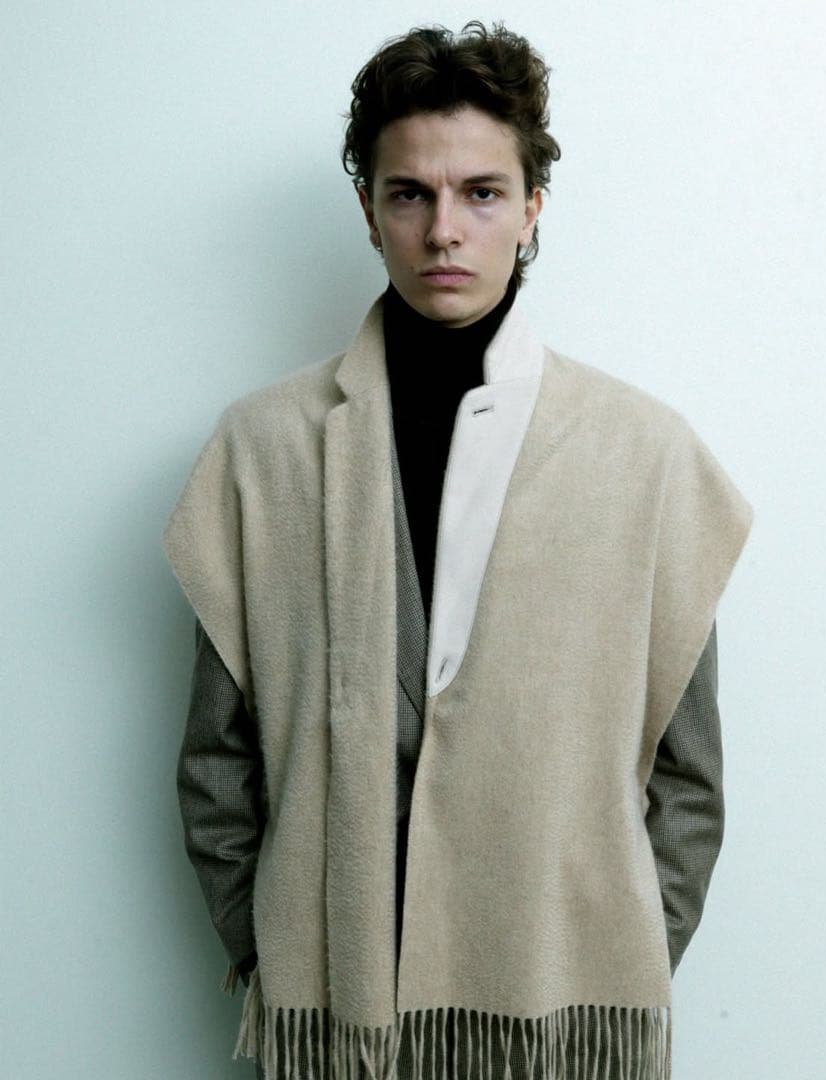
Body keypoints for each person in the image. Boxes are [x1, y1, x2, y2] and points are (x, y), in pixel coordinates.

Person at [164, 21, 752, 1080]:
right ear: (369, 211)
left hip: (559, 1009)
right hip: (336, 1007)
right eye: (410, 194)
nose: (444, 231)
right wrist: (273, 950)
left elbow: (689, 775)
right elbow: (216, 761)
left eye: (481, 193)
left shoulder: (644, 455)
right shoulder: (265, 449)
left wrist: (616, 953)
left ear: (532, 209)